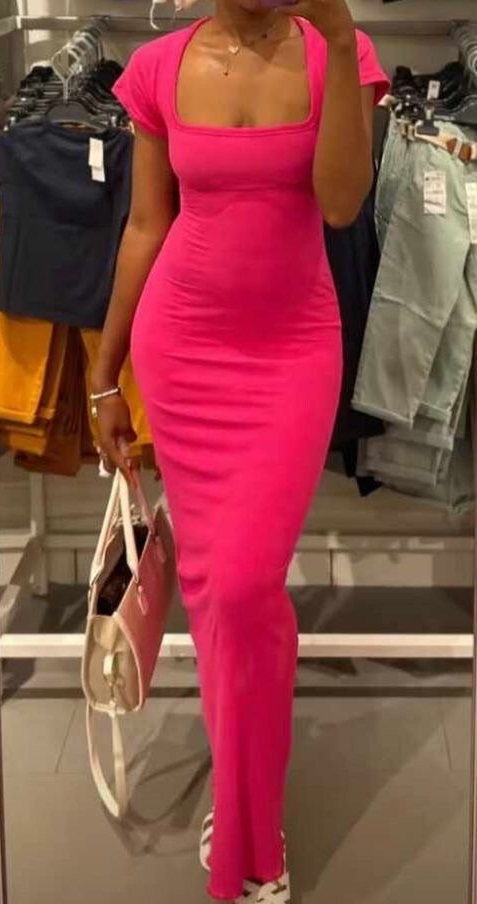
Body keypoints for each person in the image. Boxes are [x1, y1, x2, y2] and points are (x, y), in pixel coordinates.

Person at [90, 0, 389, 900]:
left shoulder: (343, 53)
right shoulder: (156, 68)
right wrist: (103, 374)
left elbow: (340, 203)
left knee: (246, 585)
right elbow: (146, 225)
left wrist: (338, 38)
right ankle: (247, 807)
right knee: (219, 594)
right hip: (183, 347)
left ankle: (249, 801)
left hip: (292, 349)